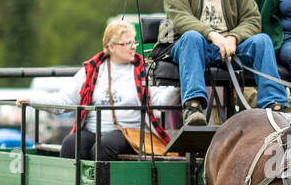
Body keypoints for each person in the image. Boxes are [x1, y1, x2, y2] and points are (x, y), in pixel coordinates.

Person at [158, 0, 286, 127]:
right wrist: (214, 35)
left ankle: (274, 107)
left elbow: (252, 19)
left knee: (261, 40)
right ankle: (193, 108)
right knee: (192, 37)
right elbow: (180, 19)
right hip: (191, 46)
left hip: (230, 48)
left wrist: (232, 38)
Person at [20, 19, 179, 160]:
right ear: (111, 47)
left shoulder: (143, 70)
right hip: (93, 131)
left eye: (134, 42)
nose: (133, 47)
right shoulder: (91, 70)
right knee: (70, 144)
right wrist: (33, 101)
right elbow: (64, 100)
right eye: (127, 43)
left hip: (133, 133)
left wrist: (180, 88)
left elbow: (161, 99)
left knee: (103, 147)